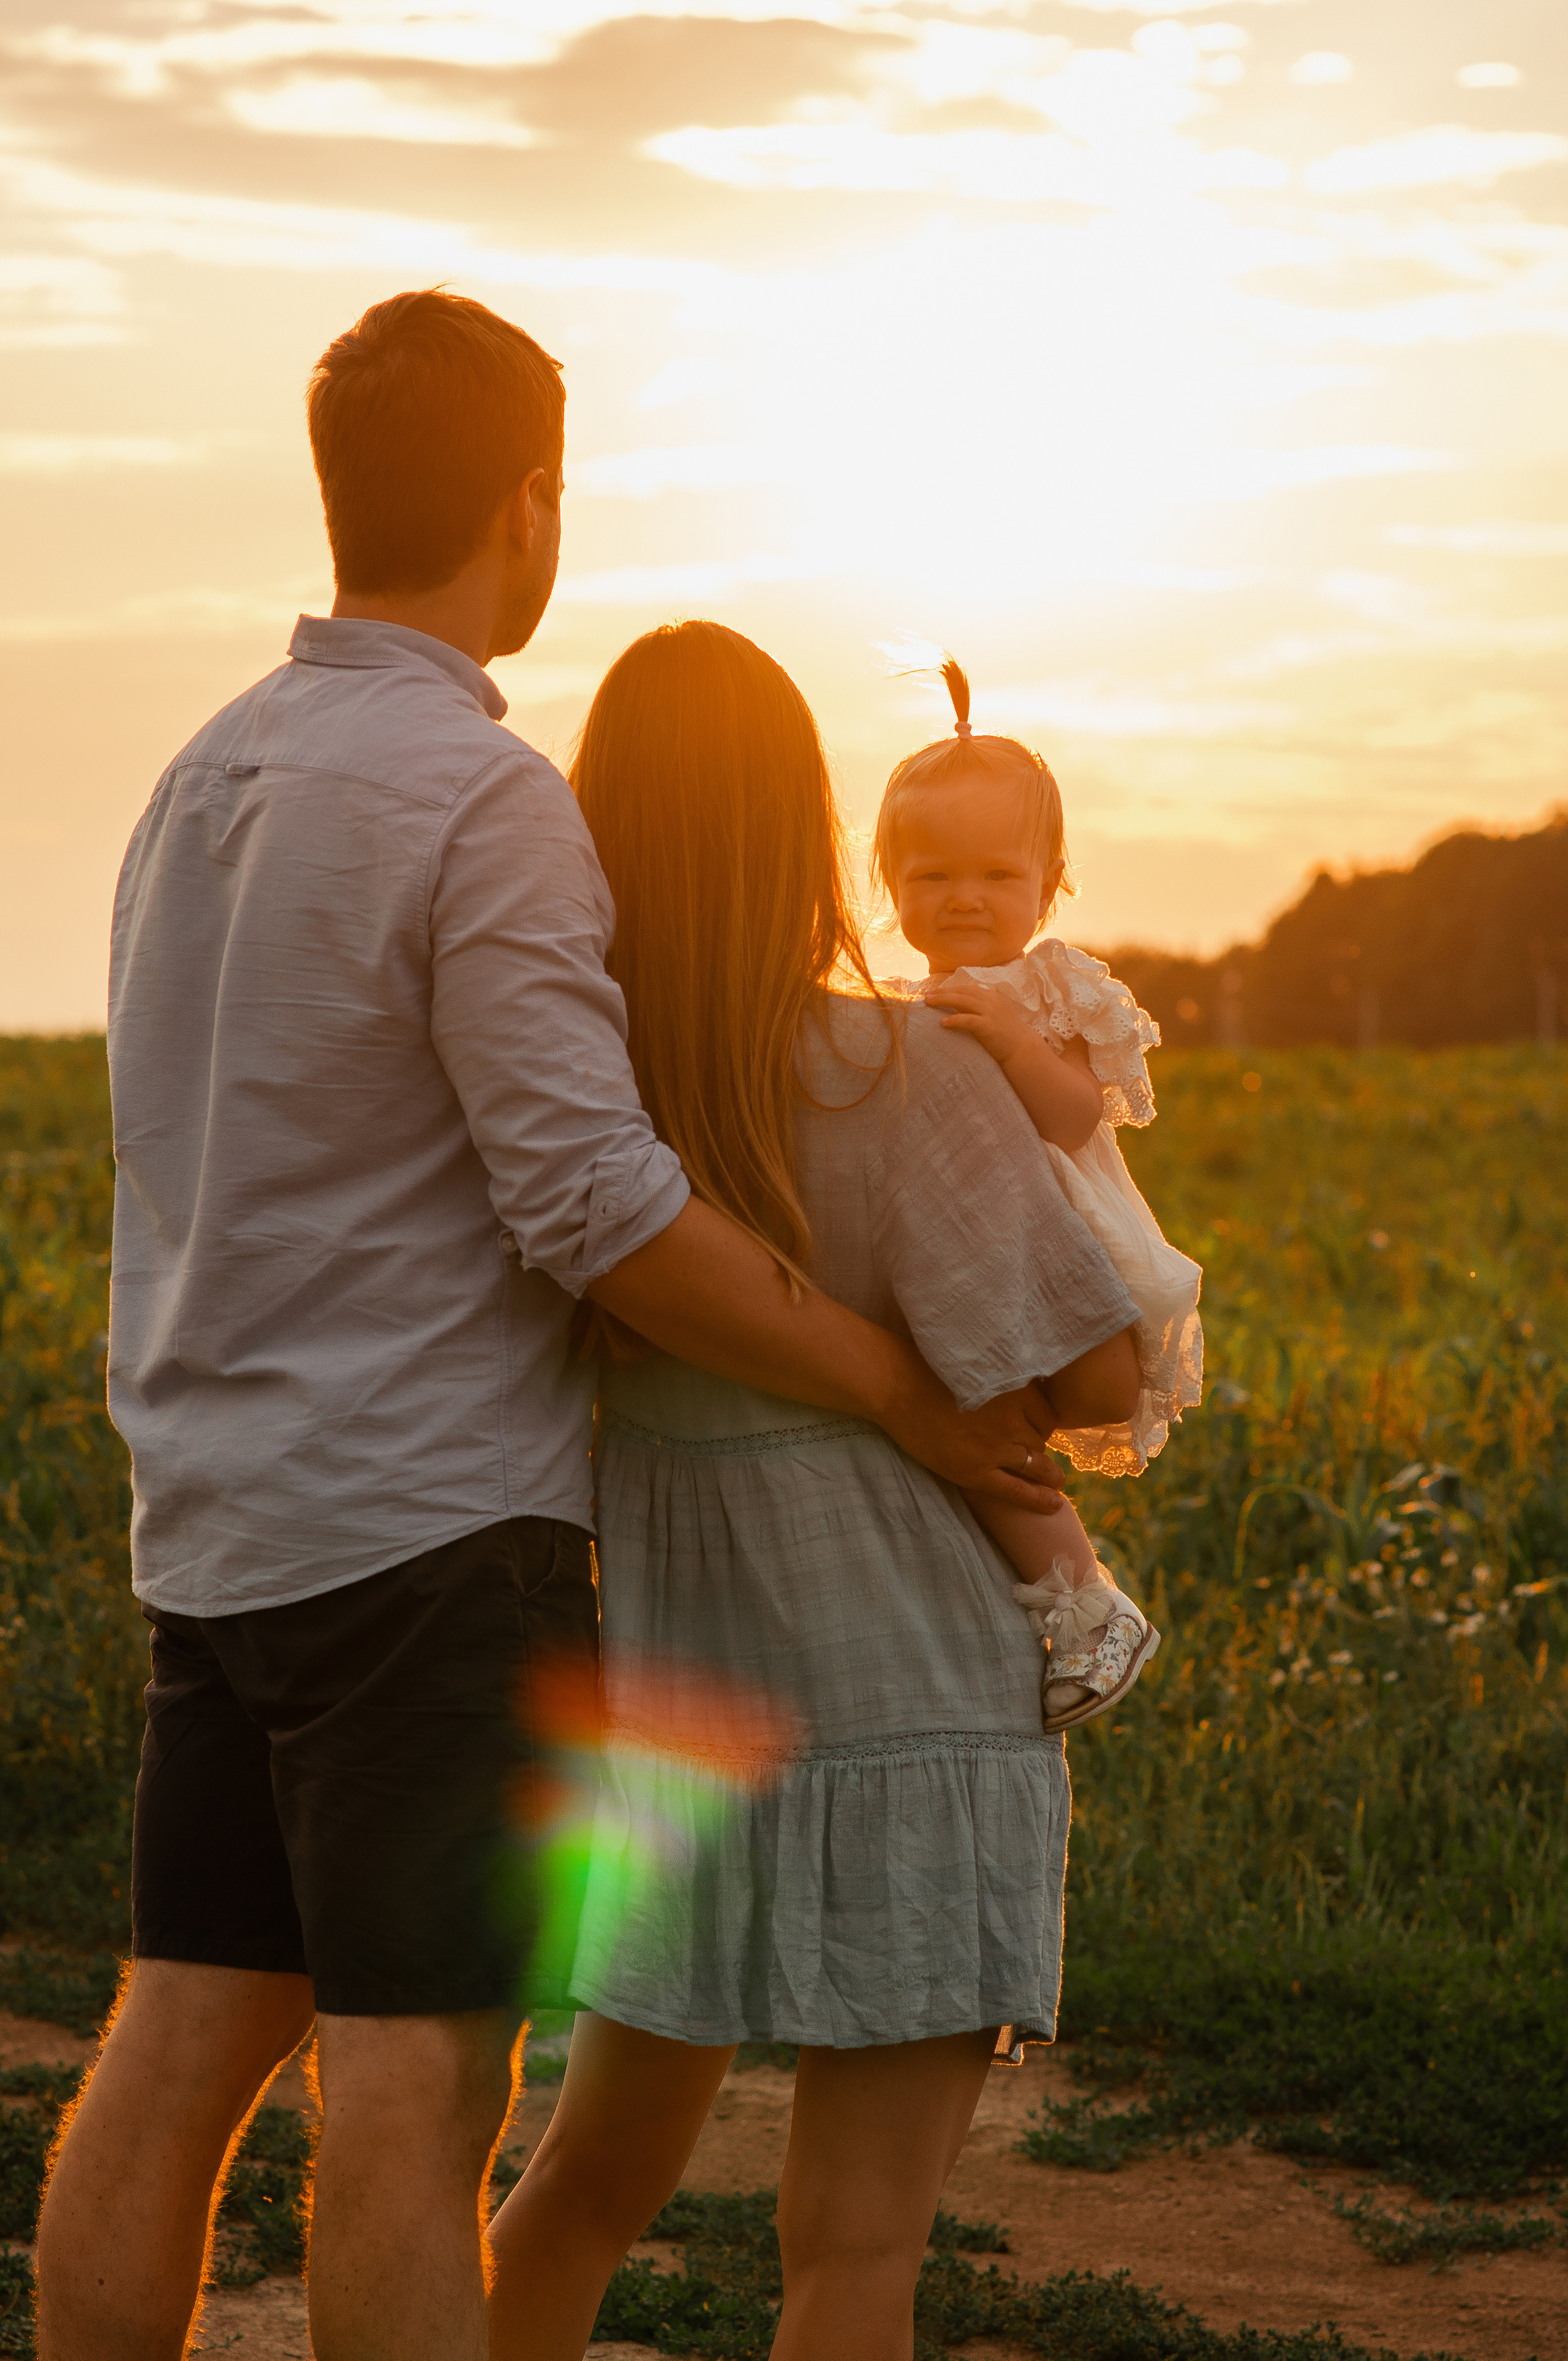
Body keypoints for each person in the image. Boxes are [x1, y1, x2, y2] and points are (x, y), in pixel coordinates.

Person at [34, 294, 1065, 2361]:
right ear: (529, 503)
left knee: (177, 2047)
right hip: (422, 1537)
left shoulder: (198, 775)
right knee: (417, 2094)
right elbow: (599, 1206)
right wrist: (900, 1389)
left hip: (217, 1523)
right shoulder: (477, 792)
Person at [485, 621, 1142, 2361]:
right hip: (913, 1694)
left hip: (681, 1702)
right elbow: (1092, 1384)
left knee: (577, 2187)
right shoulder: (900, 1070)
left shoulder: (561, 1095)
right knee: (854, 2250)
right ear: (811, 834)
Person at [872, 656, 1203, 1729]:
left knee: (993, 1425)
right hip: (964, 1247)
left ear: (1050, 881)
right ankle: (1067, 1603)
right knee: (976, 1429)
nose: (963, 897)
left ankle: (1090, 1604)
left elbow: (1073, 1118)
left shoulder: (1051, 987)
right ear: (888, 880)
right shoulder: (893, 1000)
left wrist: (1016, 1041)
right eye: (932, 875)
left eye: (995, 874)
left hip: (1061, 1236)